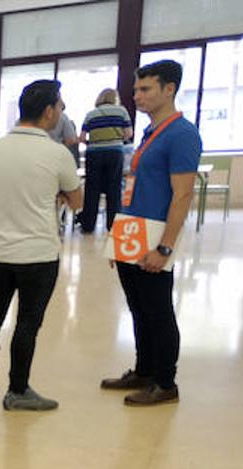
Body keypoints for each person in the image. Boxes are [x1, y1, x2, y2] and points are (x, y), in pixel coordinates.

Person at [0, 79, 82, 412]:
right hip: (38, 254)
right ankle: (17, 391)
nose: (61, 112)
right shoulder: (57, 153)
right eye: (60, 106)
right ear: (48, 111)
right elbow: (77, 202)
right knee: (27, 325)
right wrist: (56, 194)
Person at [101, 60, 201, 406]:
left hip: (156, 236)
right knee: (138, 307)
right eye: (135, 90)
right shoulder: (149, 133)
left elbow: (183, 195)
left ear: (169, 89)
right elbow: (134, 191)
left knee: (158, 309)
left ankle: (165, 381)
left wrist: (165, 248)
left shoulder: (182, 134)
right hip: (133, 233)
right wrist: (119, 241)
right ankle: (144, 370)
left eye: (146, 89)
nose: (137, 96)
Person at [79, 88, 134, 234]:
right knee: (114, 189)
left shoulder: (91, 114)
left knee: (92, 189)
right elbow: (129, 133)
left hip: (94, 154)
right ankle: (113, 225)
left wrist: (94, 143)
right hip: (115, 152)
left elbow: (82, 138)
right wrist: (116, 140)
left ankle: (88, 225)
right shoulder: (121, 111)